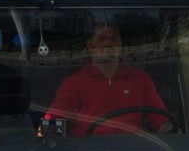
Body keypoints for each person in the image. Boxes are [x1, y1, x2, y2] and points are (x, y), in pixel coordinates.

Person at [43, 24, 173, 136]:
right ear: (90, 45)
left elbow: (160, 118)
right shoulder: (73, 83)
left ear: (121, 44)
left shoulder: (140, 79)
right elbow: (54, 120)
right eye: (101, 39)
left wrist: (171, 134)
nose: (107, 44)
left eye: (113, 39)